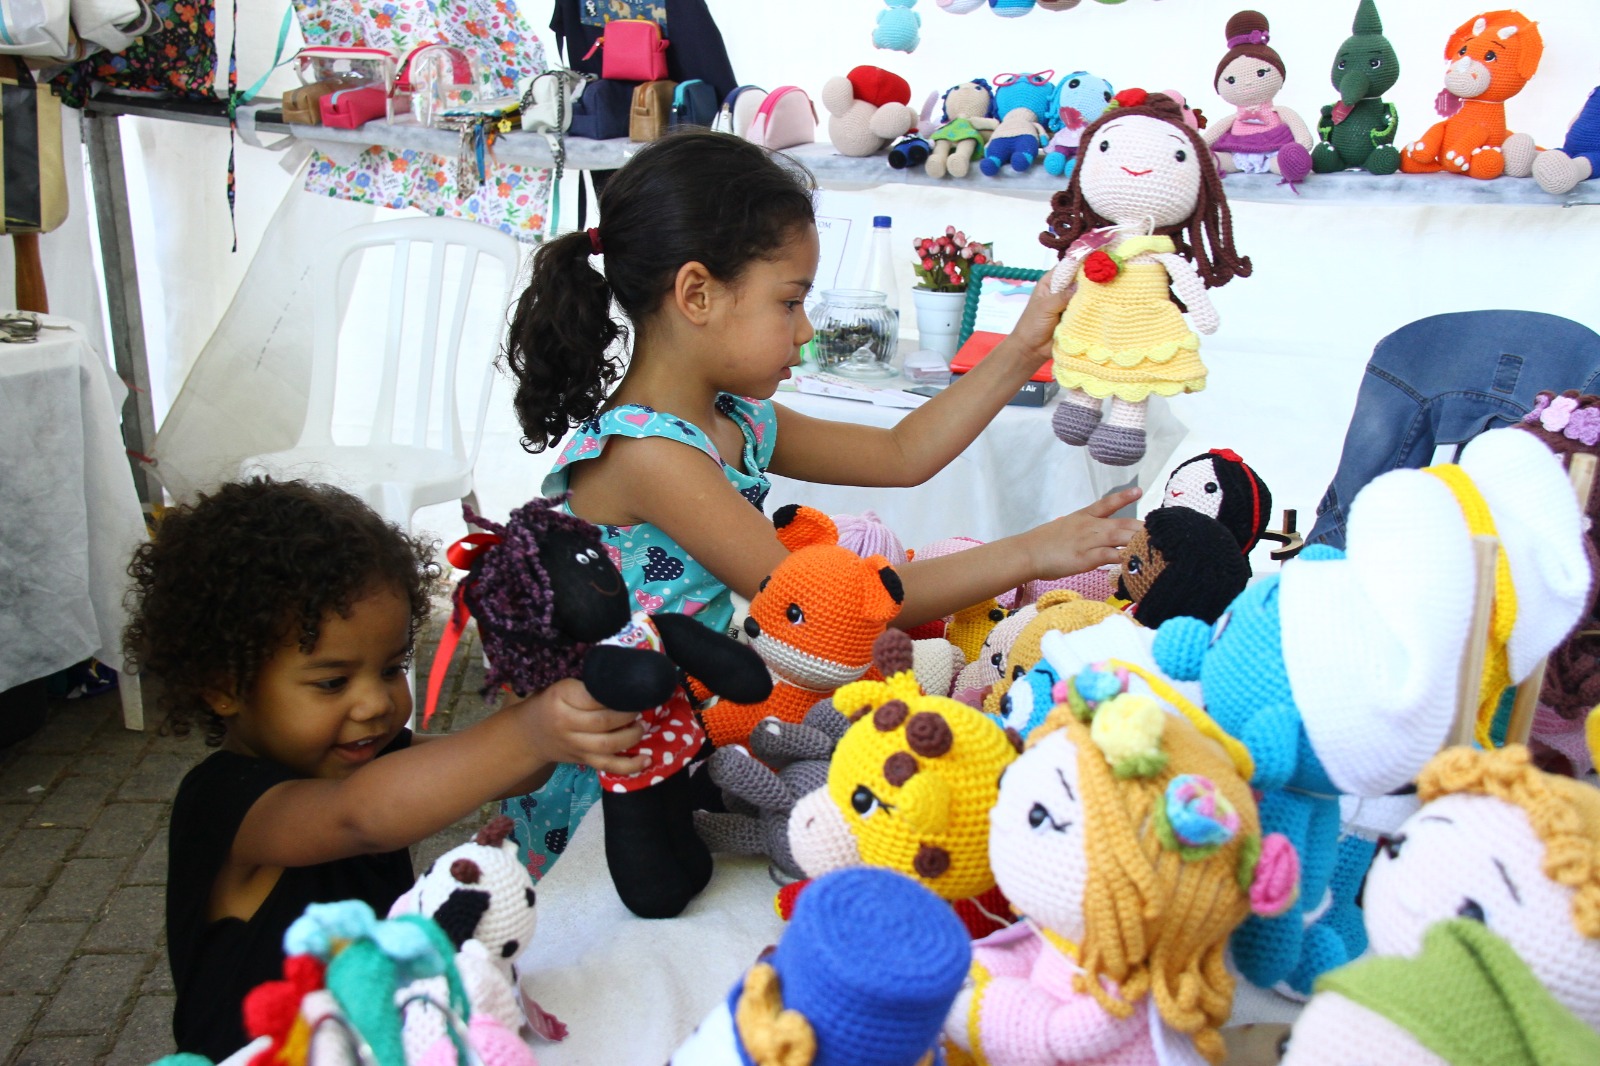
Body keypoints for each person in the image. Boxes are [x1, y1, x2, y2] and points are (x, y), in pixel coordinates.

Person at [498, 128, 1143, 875]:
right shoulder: (650, 455)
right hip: (623, 780)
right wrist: (1031, 552)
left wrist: (1028, 343)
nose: (805, 333)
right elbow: (827, 615)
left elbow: (902, 454)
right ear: (697, 294)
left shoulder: (733, 418)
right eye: (791, 301)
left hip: (694, 726)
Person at [124, 478, 648, 1061]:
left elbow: (510, 773)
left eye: (392, 667)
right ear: (223, 686)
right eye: (333, 682)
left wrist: (534, 676)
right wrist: (529, 731)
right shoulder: (227, 801)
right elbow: (363, 818)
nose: (375, 703)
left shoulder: (370, 757)